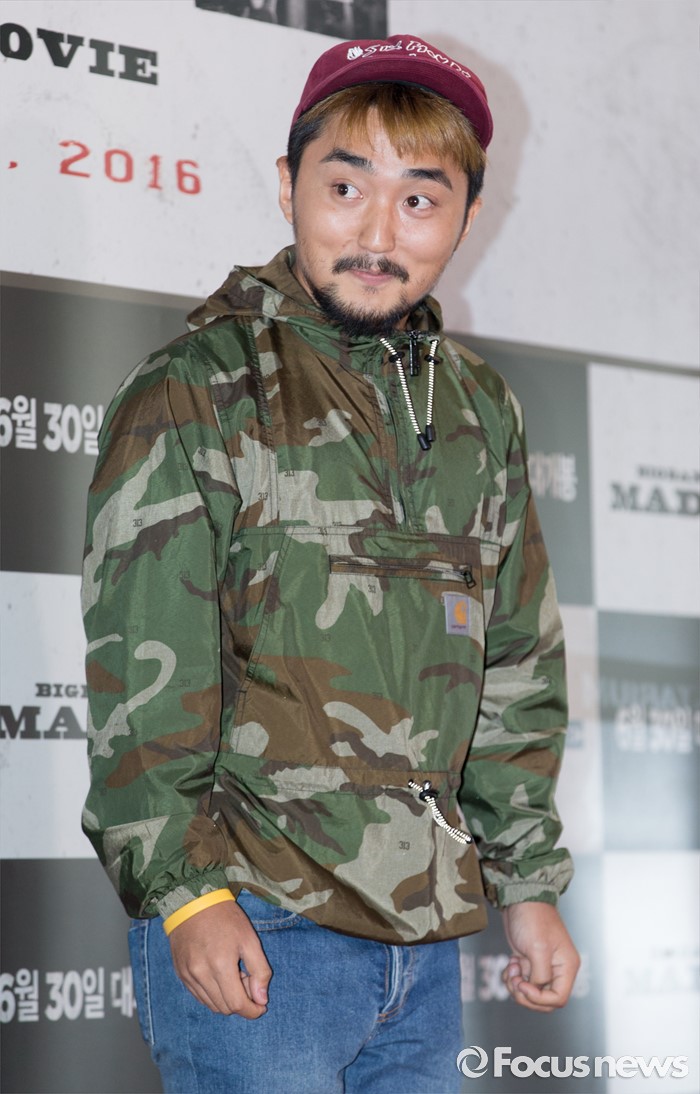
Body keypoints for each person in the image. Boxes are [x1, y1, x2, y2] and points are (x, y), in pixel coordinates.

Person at [82, 33, 580, 1094]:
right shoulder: (196, 385)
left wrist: (528, 882)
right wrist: (187, 892)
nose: (376, 231)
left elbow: (512, 659)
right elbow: (144, 667)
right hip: (258, 916)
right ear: (287, 185)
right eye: (345, 185)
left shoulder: (478, 409)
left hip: (424, 938)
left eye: (419, 198)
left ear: (465, 217)